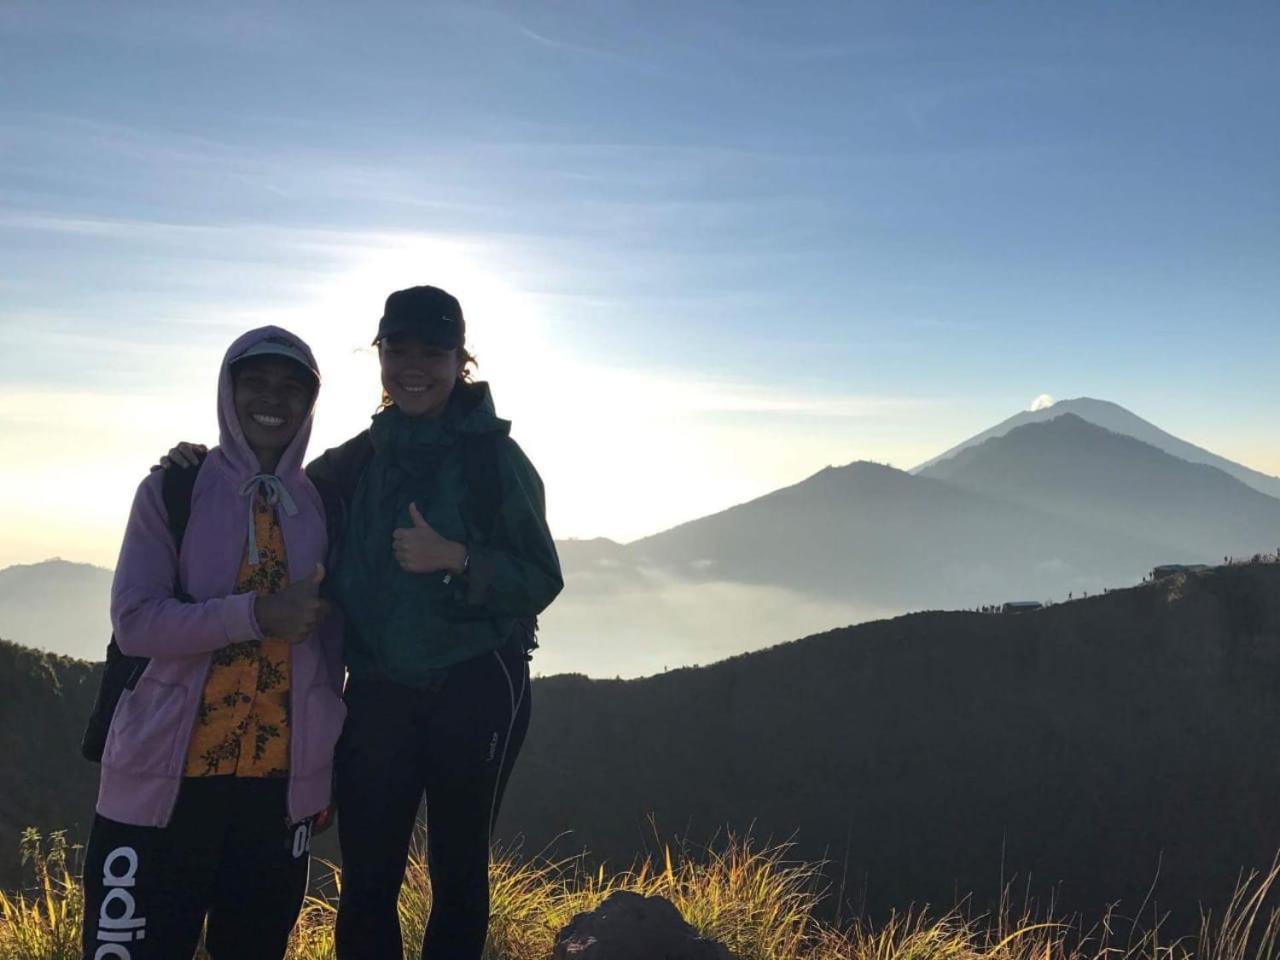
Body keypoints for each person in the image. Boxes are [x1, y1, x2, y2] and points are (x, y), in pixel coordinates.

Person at [162, 286, 564, 959]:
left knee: (458, 873)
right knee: (368, 877)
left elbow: (541, 577)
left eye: (431, 352)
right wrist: (200, 465)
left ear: (460, 359)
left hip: (478, 685)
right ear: (379, 356)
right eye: (397, 350)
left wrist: (457, 558)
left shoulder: (495, 461)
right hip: (379, 693)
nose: (413, 366)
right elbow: (276, 485)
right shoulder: (356, 462)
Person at [82, 327, 346, 960]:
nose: (273, 398)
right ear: (228, 391)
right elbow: (137, 623)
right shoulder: (174, 489)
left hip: (276, 791)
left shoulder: (327, 505)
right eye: (255, 382)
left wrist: (322, 771)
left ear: (311, 401)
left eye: (291, 387)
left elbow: (330, 654)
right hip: (162, 783)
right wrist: (257, 615)